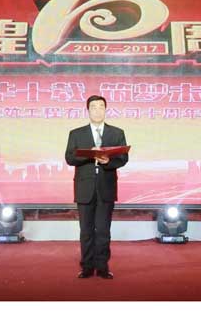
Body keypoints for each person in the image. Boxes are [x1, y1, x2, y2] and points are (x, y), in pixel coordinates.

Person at [65, 95, 128, 279]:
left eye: (101, 107)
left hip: (106, 187)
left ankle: (102, 267)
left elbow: (123, 158)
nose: (98, 110)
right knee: (86, 231)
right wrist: (90, 154)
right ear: (88, 110)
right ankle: (86, 267)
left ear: (106, 110)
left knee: (103, 230)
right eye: (94, 107)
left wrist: (108, 161)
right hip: (84, 188)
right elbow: (70, 158)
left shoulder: (116, 133)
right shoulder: (76, 134)